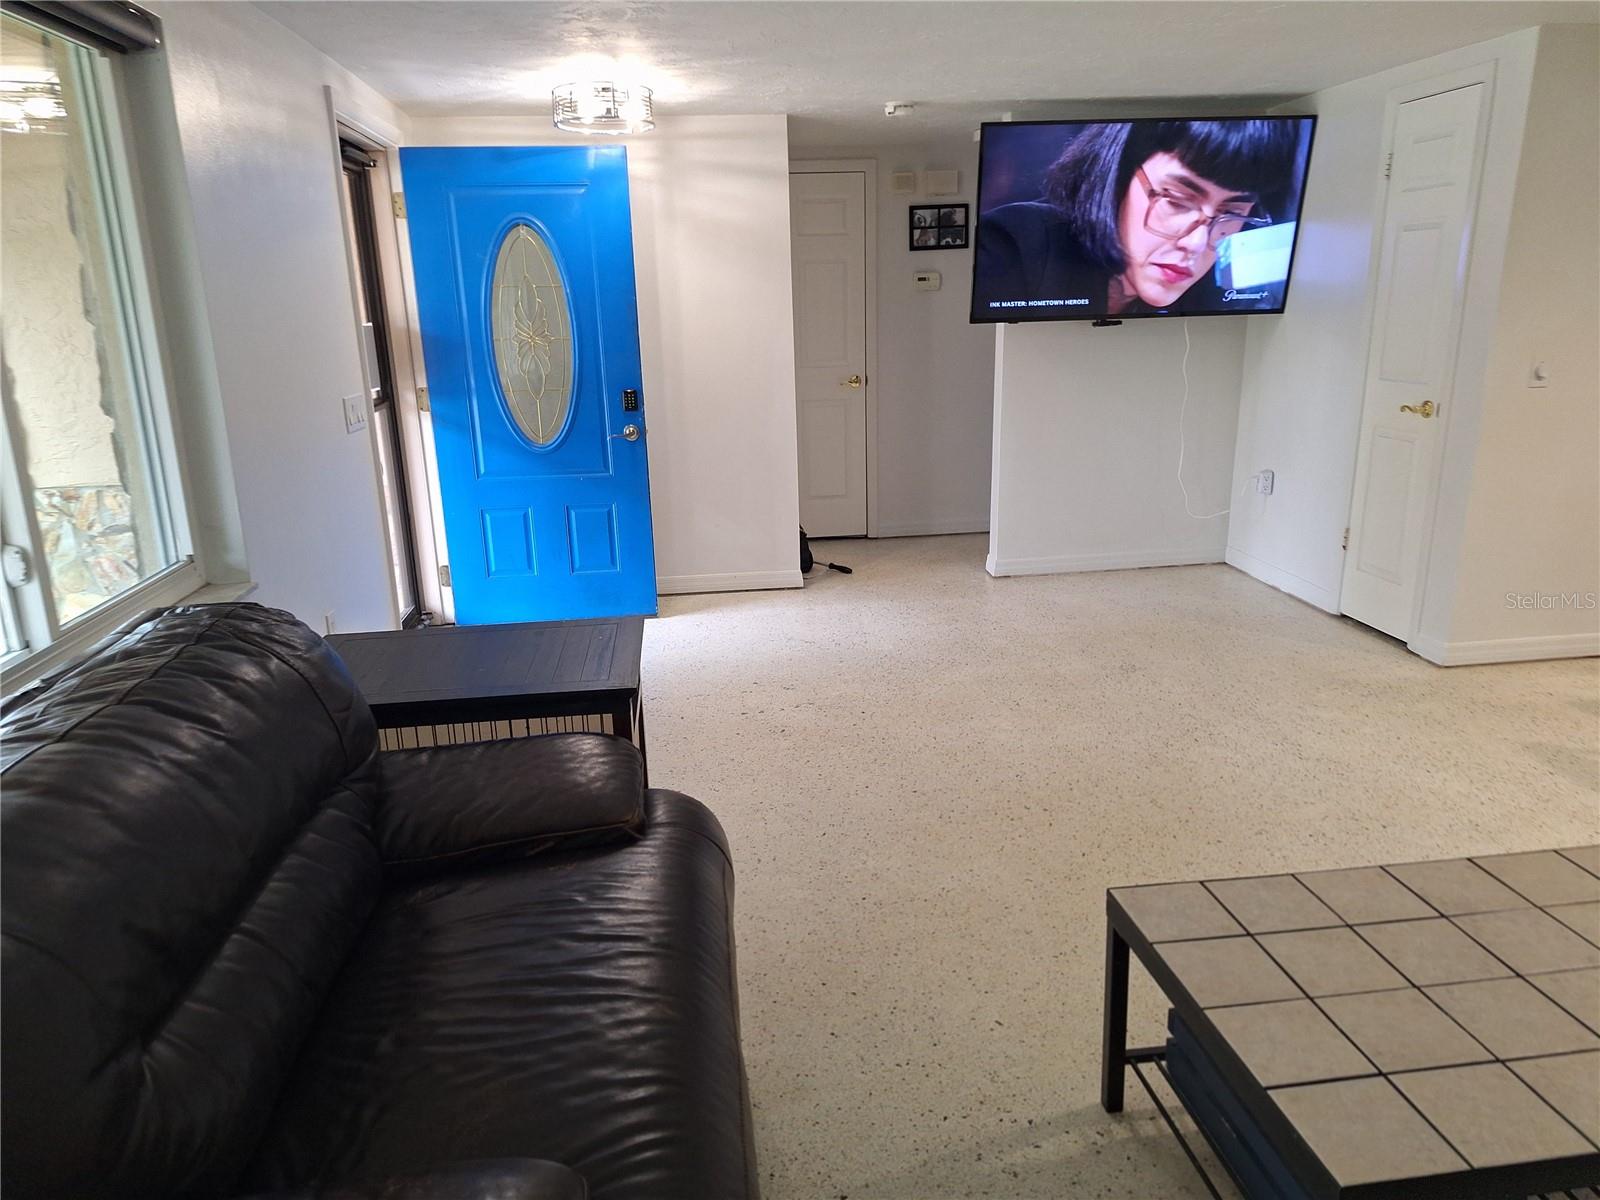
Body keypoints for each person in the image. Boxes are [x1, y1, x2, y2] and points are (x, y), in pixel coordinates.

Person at [974, 120, 1301, 316]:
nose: (1196, 243)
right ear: (1117, 176)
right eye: (1176, 201)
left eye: (1230, 214)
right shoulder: (1012, 247)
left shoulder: (1221, 297)